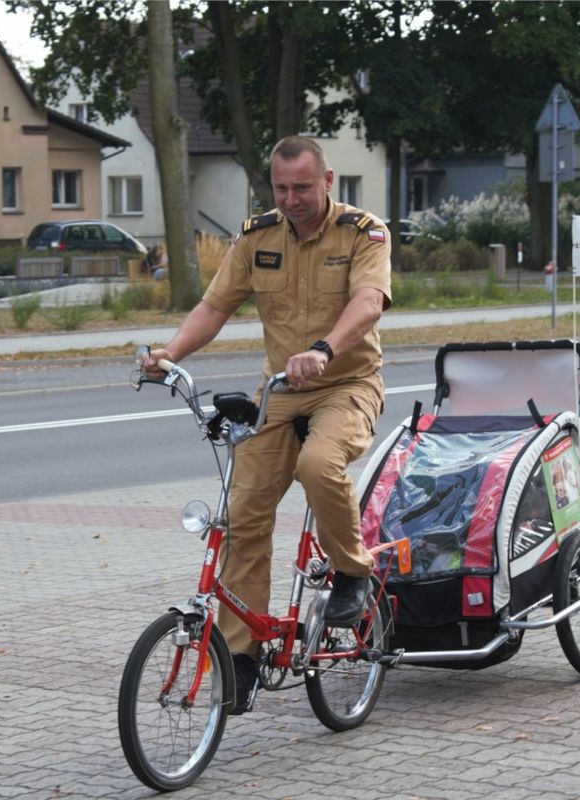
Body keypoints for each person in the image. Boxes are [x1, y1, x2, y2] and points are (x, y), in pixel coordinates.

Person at [143, 135, 392, 714]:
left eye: (302, 187)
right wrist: (169, 354)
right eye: (281, 188)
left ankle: (353, 573)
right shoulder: (258, 236)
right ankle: (244, 658)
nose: (291, 198)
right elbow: (214, 307)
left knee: (316, 463)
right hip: (281, 393)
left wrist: (325, 349)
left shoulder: (363, 231)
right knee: (242, 512)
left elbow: (370, 301)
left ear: (327, 182)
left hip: (347, 384)